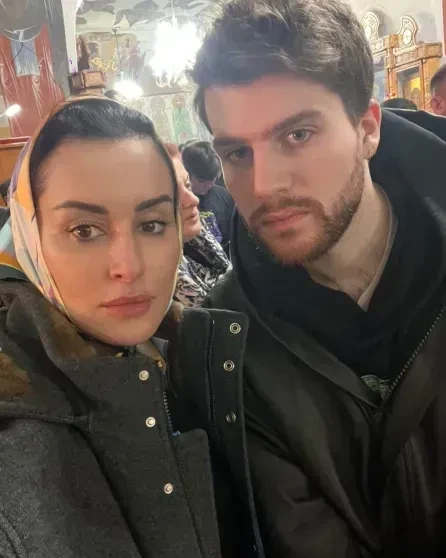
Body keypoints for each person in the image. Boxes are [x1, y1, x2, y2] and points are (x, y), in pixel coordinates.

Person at [188, 0, 446, 556]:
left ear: (367, 129)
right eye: (237, 152)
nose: (264, 185)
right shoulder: (227, 348)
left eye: (297, 135)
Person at [0, 97, 251, 557]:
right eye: (84, 230)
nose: (129, 266)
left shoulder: (198, 357)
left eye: (152, 224)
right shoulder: (16, 427)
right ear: (30, 236)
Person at [166, 143, 230, 308]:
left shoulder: (202, 236)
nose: (193, 199)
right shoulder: (162, 287)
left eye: (187, 185)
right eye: (173, 192)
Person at [181, 140, 234, 251]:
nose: (208, 185)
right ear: (187, 173)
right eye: (202, 181)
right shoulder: (181, 204)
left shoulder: (225, 196)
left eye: (212, 180)